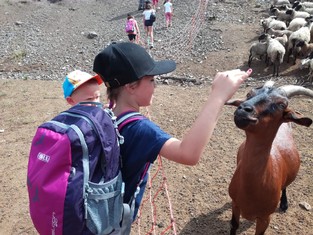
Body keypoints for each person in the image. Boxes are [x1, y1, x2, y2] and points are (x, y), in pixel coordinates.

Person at [93, 42, 252, 229]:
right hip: (113, 223)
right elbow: (188, 154)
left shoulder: (105, 113)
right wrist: (218, 96)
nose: (155, 86)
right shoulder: (141, 129)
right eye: (151, 80)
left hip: (97, 211)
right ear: (131, 86)